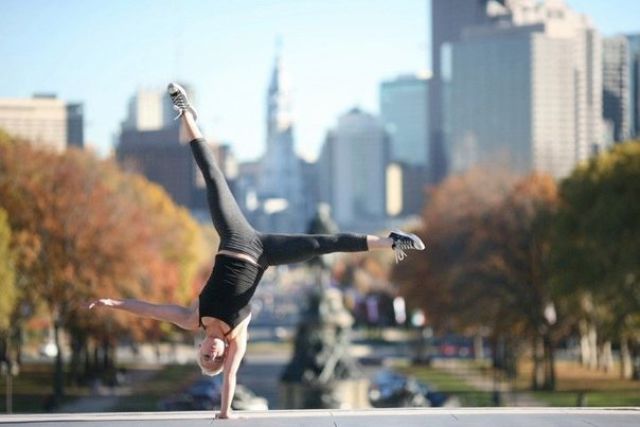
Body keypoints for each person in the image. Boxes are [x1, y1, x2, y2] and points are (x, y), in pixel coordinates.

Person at [89, 83, 425, 419]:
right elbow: (230, 378)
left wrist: (113, 303)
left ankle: (185, 113)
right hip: (263, 252)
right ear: (220, 356)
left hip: (233, 237)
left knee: (213, 176)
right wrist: (225, 413)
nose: (208, 352)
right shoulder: (237, 339)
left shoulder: (193, 319)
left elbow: (150, 309)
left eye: (203, 355)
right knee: (323, 244)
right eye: (212, 358)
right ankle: (393, 240)